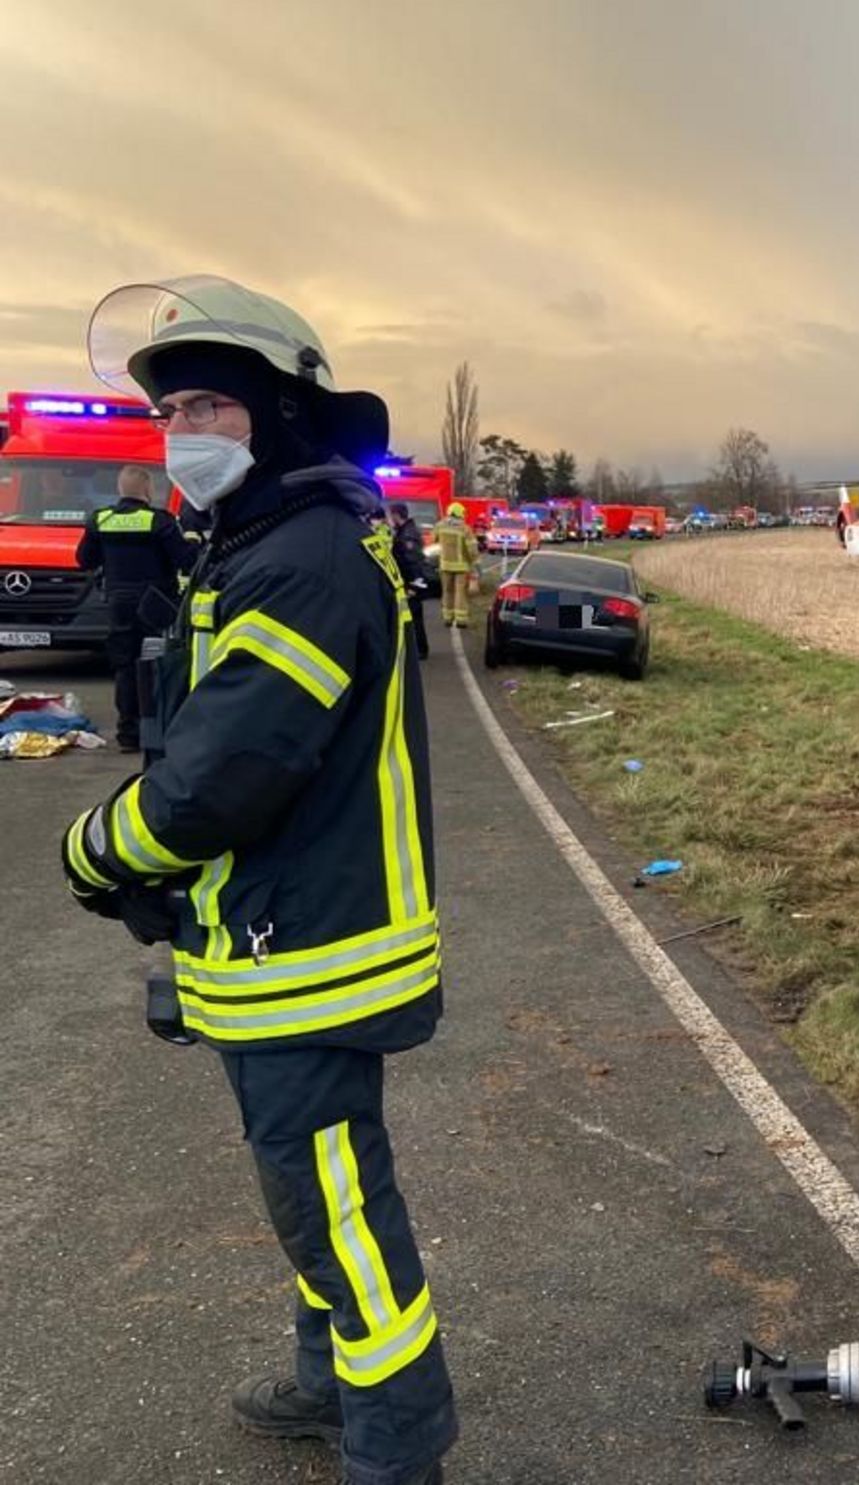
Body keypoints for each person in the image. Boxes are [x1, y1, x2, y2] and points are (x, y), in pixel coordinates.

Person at [60, 276, 455, 1485]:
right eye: (171, 406)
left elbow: (221, 776)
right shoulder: (260, 542)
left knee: (339, 1207)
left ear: (280, 418)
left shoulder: (302, 558)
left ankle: (395, 1449)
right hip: (268, 942)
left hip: (313, 951)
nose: (183, 430)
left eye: (211, 408)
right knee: (307, 1198)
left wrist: (96, 849)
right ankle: (327, 1381)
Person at [74, 464, 194, 751]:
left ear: (120, 489)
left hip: (118, 604)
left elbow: (84, 560)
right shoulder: (160, 521)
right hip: (155, 604)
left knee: (125, 667)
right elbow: (186, 560)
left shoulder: (100, 520)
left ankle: (128, 733)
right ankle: (159, 729)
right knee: (158, 664)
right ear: (148, 489)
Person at [388, 502, 431, 660]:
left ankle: (420, 649)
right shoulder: (404, 531)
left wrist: (413, 585)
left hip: (411, 583)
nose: (390, 518)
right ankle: (417, 648)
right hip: (408, 582)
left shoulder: (407, 535)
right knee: (411, 617)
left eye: (391, 514)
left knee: (414, 617)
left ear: (396, 515)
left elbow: (413, 562)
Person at [433, 502, 473, 628]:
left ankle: (447, 618)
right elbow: (471, 549)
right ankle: (461, 620)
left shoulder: (439, 526)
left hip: (445, 565)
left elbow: (434, 541)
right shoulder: (465, 529)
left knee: (447, 591)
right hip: (461, 566)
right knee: (460, 592)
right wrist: (475, 563)